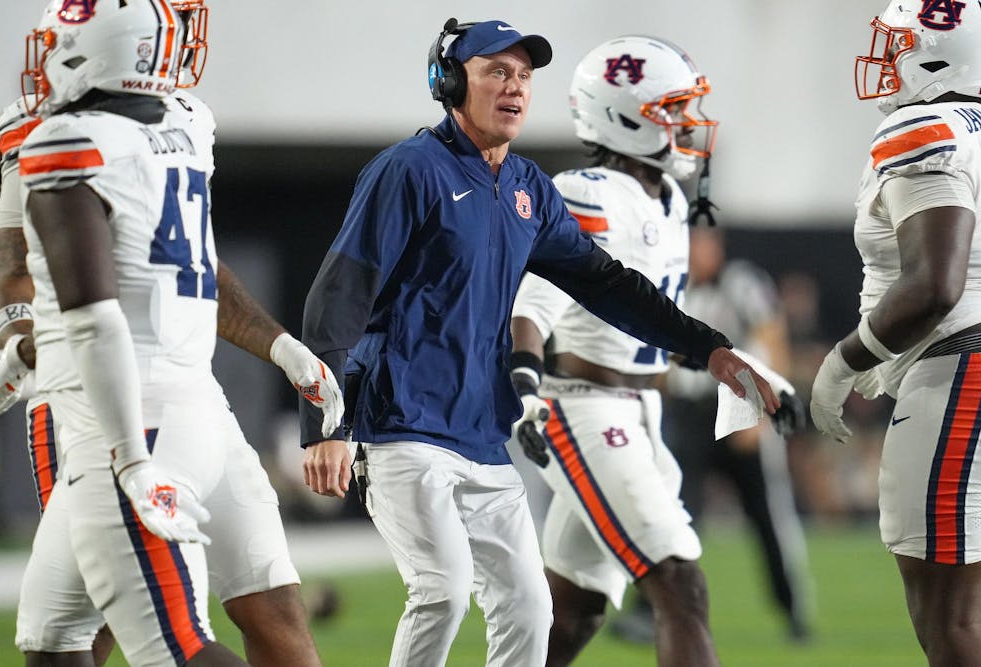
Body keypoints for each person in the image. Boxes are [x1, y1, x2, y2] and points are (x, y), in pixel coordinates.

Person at [298, 18, 780, 667]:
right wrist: (321, 422)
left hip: (481, 433)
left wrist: (710, 348)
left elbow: (606, 282)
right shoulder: (407, 170)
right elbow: (338, 297)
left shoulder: (528, 186)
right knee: (442, 592)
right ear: (449, 81)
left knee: (533, 607)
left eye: (524, 75)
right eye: (496, 71)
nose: (515, 87)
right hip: (399, 424)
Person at [9, 1, 342, 665]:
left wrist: (130, 457)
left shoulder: (66, 142)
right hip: (202, 415)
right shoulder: (185, 124)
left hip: (129, 425)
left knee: (176, 647)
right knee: (51, 636)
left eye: (57, 44)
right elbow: (191, 261)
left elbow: (96, 317)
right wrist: (285, 347)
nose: (44, 59)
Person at [508, 36, 804, 667]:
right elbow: (534, 304)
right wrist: (525, 380)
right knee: (678, 582)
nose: (690, 124)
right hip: (583, 409)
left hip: (641, 410)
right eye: (673, 109)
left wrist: (750, 380)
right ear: (623, 115)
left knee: (574, 610)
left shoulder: (668, 199)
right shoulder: (585, 191)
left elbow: (668, 322)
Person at [810, 2, 981, 665]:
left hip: (960, 371)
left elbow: (934, 284)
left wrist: (842, 361)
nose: (885, 60)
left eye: (897, 45)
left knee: (948, 613)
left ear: (939, 53)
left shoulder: (926, 125)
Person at [637, 225, 814, 643]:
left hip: (741, 410)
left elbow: (773, 337)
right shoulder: (673, 286)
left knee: (768, 517)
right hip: (689, 414)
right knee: (675, 511)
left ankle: (793, 611)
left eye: (703, 242)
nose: (698, 251)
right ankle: (650, 611)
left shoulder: (741, 283)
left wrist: (761, 412)